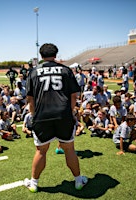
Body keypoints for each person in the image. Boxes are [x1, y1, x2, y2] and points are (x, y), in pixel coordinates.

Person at [24, 43, 88, 193]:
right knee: (69, 149)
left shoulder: (33, 72)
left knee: (41, 151)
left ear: (41, 55)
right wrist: (69, 112)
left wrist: (34, 116)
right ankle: (78, 181)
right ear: (56, 54)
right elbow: (74, 95)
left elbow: (30, 99)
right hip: (63, 115)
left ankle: (34, 183)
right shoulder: (65, 70)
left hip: (42, 115)